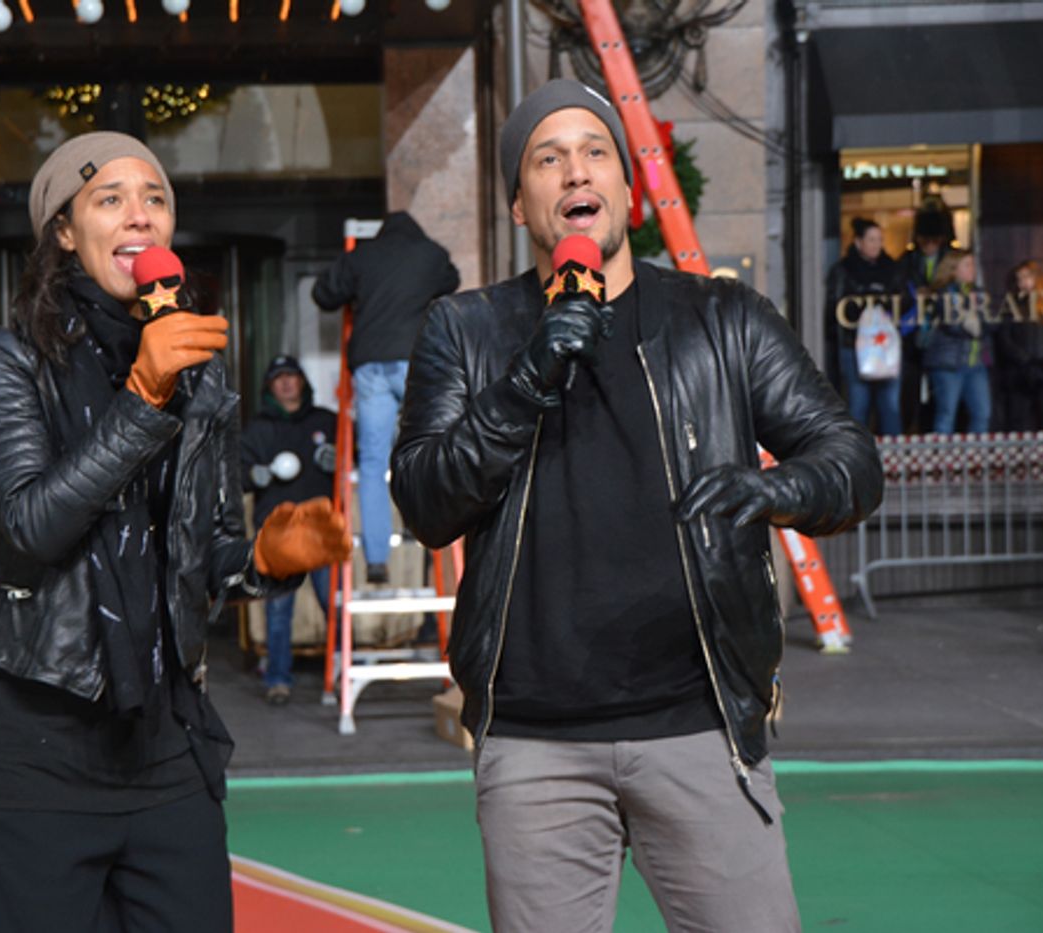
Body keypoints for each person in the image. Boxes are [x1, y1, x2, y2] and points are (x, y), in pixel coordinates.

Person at [390, 79, 882, 933]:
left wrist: (771, 490)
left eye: (595, 152)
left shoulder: (721, 317)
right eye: (547, 158)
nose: (574, 170)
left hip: (698, 724)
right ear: (519, 200)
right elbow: (426, 501)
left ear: (627, 188)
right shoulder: (464, 331)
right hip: (535, 740)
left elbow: (849, 461)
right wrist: (527, 377)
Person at [0, 132, 350, 933]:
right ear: (62, 230)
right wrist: (143, 396)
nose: (141, 217)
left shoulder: (199, 371)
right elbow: (31, 524)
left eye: (156, 198)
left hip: (163, 743)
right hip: (26, 750)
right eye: (110, 198)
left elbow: (208, 552)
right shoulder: (10, 358)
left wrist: (266, 558)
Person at [311, 211, 459, 584]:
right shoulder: (431, 254)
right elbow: (451, 283)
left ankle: (376, 559)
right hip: (416, 362)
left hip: (372, 365)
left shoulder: (362, 256)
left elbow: (324, 294)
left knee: (374, 463)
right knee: (422, 449)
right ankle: (418, 525)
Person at [240, 354, 338, 705]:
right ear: (270, 386)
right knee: (279, 609)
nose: (285, 383)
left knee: (333, 604)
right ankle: (278, 679)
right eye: (278, 377)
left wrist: (339, 455)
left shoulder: (327, 422)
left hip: (320, 529)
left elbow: (357, 455)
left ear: (302, 382)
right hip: (277, 531)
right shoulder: (257, 429)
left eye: (291, 376)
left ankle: (339, 674)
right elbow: (235, 474)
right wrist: (254, 475)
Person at [825, 217, 904, 435]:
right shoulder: (843, 270)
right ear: (858, 242)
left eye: (879, 239)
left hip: (886, 346)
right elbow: (834, 310)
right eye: (871, 239)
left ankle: (893, 459)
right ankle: (859, 457)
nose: (876, 244)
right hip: (854, 347)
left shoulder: (892, 269)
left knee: (890, 406)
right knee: (859, 405)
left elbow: (904, 304)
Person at [996, 260, 1043, 431]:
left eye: (1026, 276)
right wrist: (1024, 360)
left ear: (1037, 277)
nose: (1023, 282)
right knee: (1018, 419)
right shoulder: (1011, 304)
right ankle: (1018, 456)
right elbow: (1005, 337)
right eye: (1019, 278)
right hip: (1020, 371)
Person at [899, 196, 954, 432]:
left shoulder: (951, 259)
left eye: (934, 239)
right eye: (926, 239)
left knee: (941, 395)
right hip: (913, 335)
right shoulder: (908, 260)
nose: (929, 244)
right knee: (910, 392)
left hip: (942, 334)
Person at [924, 250, 993, 434]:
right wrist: (973, 319)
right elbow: (953, 325)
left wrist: (974, 320)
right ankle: (942, 460)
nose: (972, 269)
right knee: (946, 416)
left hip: (976, 364)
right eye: (967, 264)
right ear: (953, 269)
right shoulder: (942, 294)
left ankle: (976, 459)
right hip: (948, 364)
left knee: (982, 414)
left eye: (973, 264)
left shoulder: (979, 293)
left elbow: (990, 324)